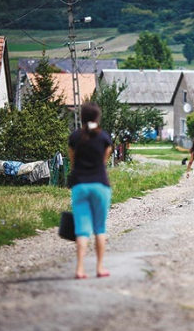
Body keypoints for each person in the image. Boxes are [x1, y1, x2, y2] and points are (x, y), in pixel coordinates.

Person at [68, 102, 113, 280]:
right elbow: (104, 160)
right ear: (97, 117)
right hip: (100, 185)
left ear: (82, 117)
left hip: (80, 185)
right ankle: (100, 268)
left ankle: (79, 269)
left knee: (82, 229)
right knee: (100, 228)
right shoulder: (104, 137)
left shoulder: (74, 137)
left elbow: (72, 161)